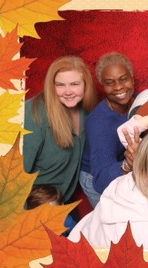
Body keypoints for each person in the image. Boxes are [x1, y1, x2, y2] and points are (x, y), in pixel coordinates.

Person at [23, 56, 98, 202]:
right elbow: (10, 177)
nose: (68, 91)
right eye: (60, 85)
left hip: (63, 201)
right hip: (33, 206)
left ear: (85, 85)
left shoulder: (87, 112)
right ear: (51, 86)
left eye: (75, 84)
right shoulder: (33, 115)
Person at [80, 53, 138, 208]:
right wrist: (127, 164)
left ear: (132, 79)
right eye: (109, 83)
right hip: (96, 176)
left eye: (123, 79)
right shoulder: (99, 123)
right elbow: (100, 180)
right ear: (102, 86)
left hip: (124, 166)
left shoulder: (141, 102)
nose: (118, 87)